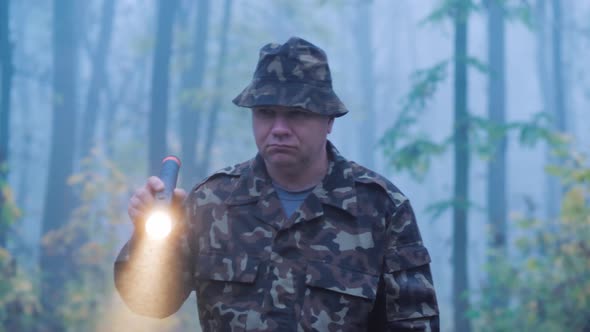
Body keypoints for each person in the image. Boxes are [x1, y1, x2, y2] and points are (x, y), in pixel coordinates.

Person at [115, 36, 439, 331]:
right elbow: (149, 302)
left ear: (329, 120)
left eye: (296, 113)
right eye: (266, 112)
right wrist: (148, 237)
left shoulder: (380, 209)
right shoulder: (212, 202)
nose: (279, 128)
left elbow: (415, 325)